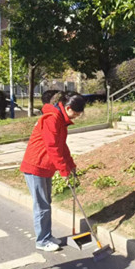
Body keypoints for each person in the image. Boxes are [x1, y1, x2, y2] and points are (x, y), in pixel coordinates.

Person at [20, 91, 85, 252]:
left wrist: (70, 165)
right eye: (76, 114)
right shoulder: (52, 118)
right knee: (41, 205)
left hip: (45, 167)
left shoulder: (60, 120)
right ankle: (42, 240)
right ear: (68, 108)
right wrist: (64, 171)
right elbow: (53, 148)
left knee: (46, 203)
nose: (76, 117)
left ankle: (47, 236)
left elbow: (62, 145)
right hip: (36, 166)